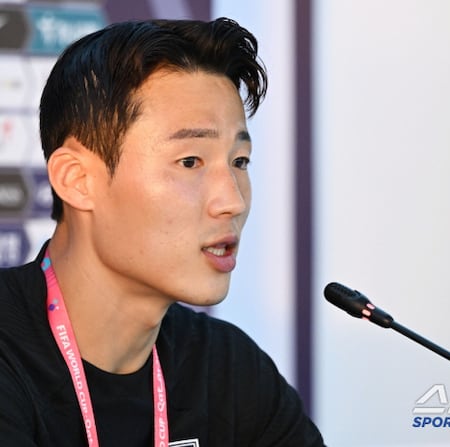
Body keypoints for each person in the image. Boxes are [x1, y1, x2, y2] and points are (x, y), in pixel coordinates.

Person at [0, 18, 324, 446]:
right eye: (190, 162)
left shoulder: (230, 370)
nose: (232, 200)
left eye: (239, 162)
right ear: (77, 180)